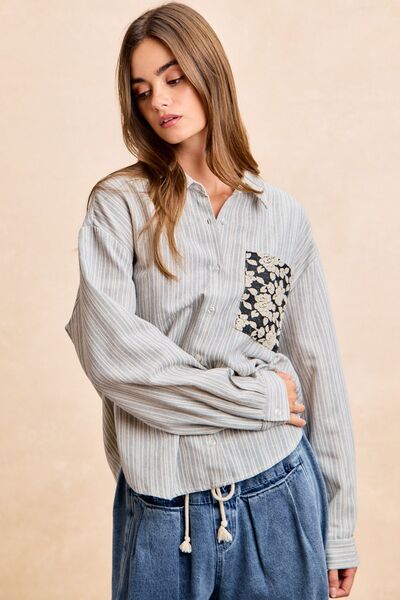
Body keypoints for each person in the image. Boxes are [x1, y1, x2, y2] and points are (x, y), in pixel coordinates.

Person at [64, 2, 359, 598]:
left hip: (279, 494)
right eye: (143, 91)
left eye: (174, 78)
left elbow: (317, 372)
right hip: (163, 508)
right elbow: (117, 362)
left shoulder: (281, 217)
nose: (159, 101)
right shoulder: (119, 207)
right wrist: (255, 398)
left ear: (209, 74)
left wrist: (340, 527)